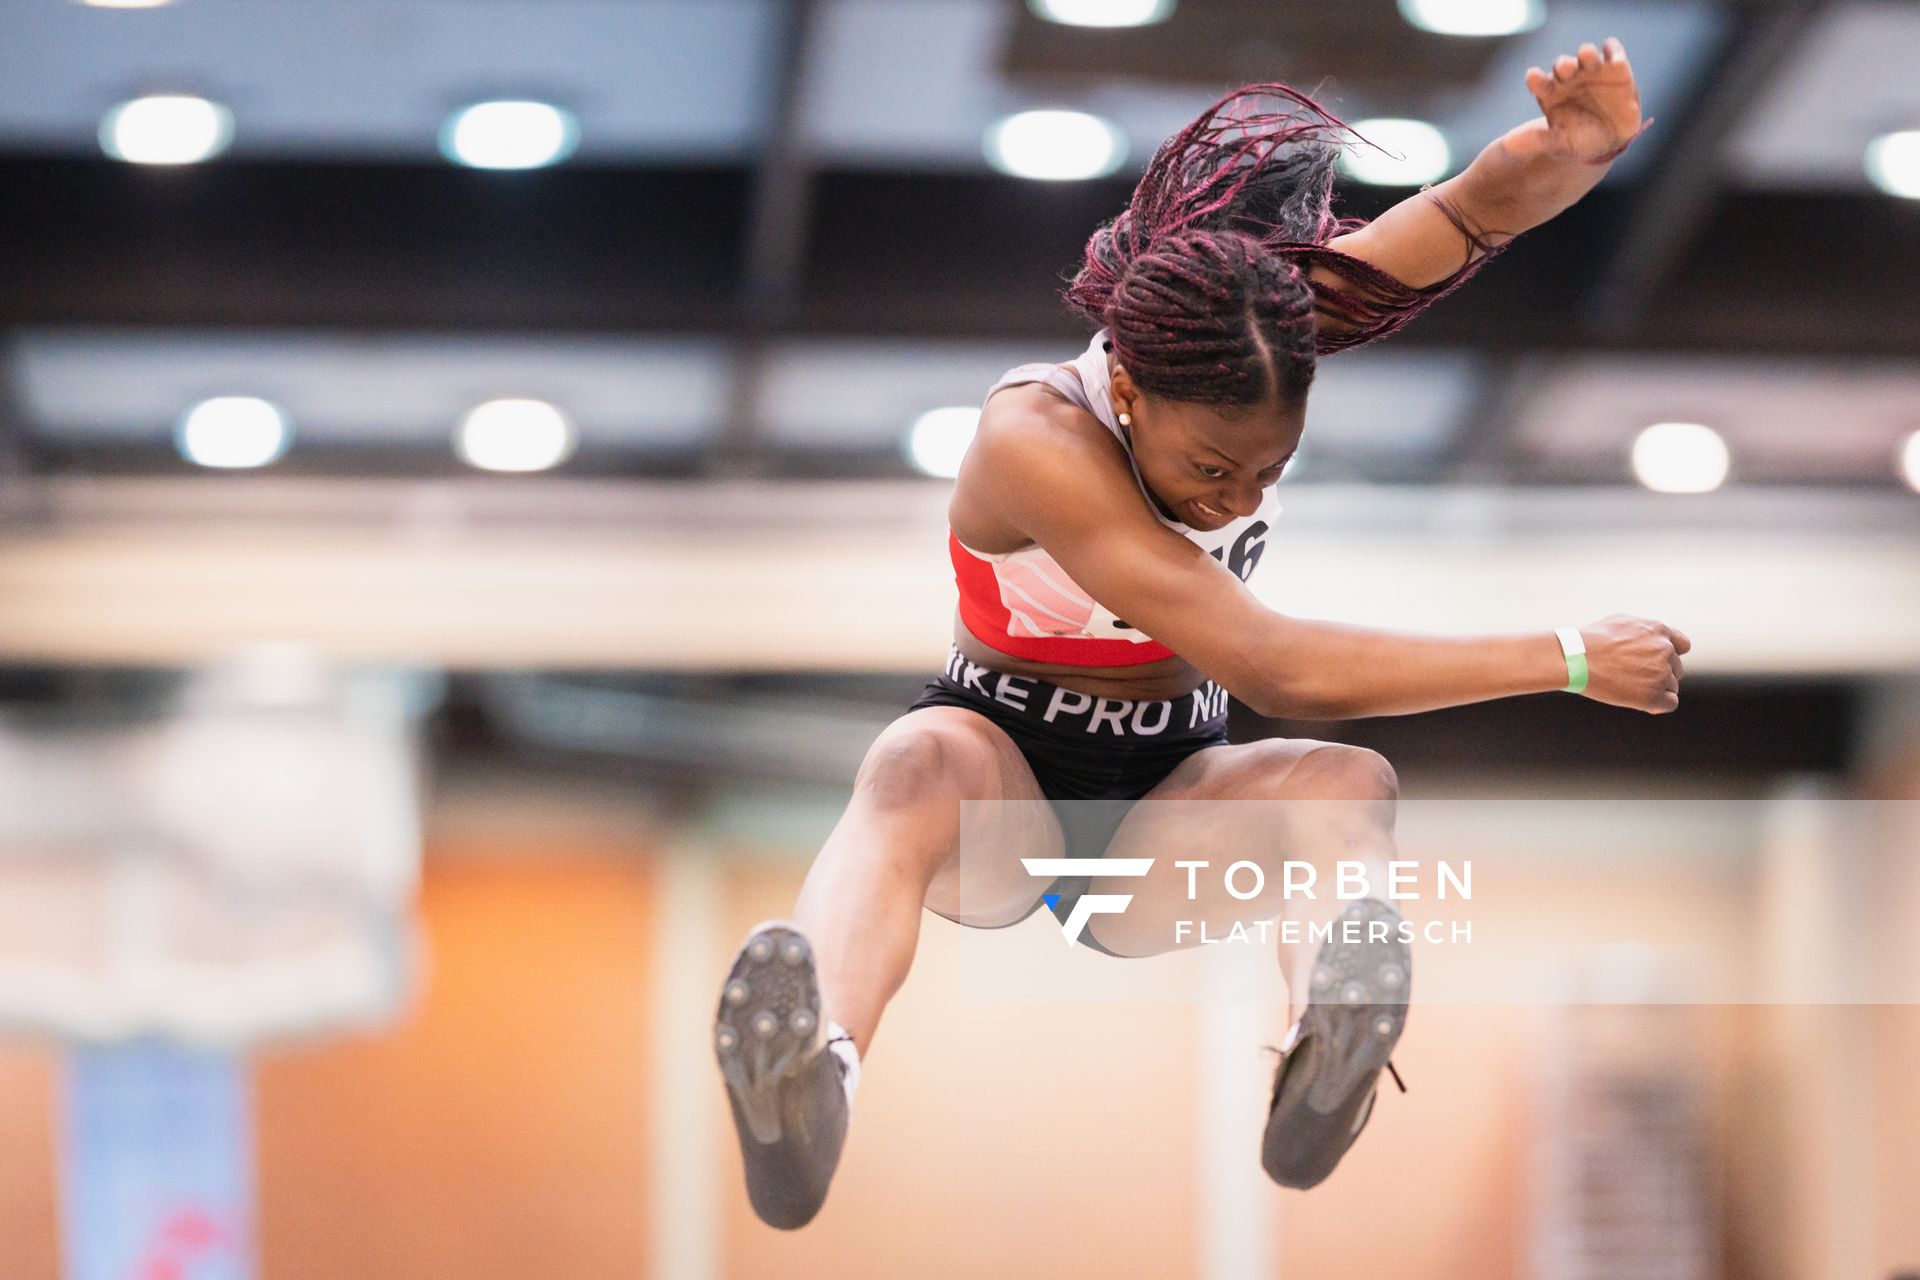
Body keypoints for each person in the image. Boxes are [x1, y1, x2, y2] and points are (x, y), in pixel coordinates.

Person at [713, 37, 1687, 1230]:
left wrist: (1571, 154)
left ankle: (1320, 1050)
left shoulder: (1266, 328)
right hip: (1004, 785)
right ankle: (810, 1073)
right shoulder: (1037, 438)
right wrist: (1568, 655)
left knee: (1345, 779)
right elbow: (1271, 660)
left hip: (1168, 797)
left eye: (1267, 469)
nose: (1236, 496)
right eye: (1211, 466)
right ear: (1127, 392)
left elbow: (1469, 211)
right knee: (913, 762)